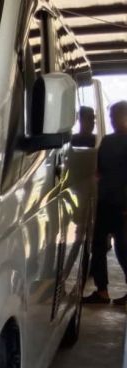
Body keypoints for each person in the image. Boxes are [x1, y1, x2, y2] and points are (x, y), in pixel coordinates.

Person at [84, 100, 127, 305]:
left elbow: (99, 171)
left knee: (122, 249)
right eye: (111, 117)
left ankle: (104, 291)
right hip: (107, 201)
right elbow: (98, 170)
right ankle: (102, 291)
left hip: (121, 205)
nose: (112, 121)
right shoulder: (108, 141)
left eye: (115, 117)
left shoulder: (110, 142)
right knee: (99, 247)